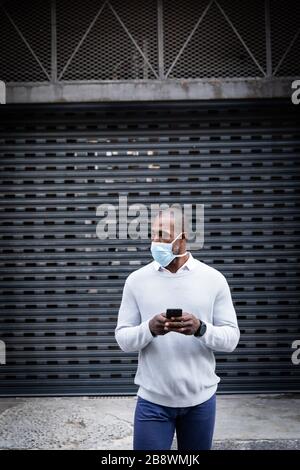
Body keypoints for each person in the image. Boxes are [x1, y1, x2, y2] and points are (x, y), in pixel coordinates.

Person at [115, 207, 240, 450]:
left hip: (200, 402)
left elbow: (231, 338)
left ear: (182, 238)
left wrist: (201, 329)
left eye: (162, 235)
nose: (155, 242)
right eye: (152, 235)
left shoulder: (213, 279)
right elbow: (123, 339)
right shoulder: (136, 281)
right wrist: (149, 328)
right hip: (152, 401)